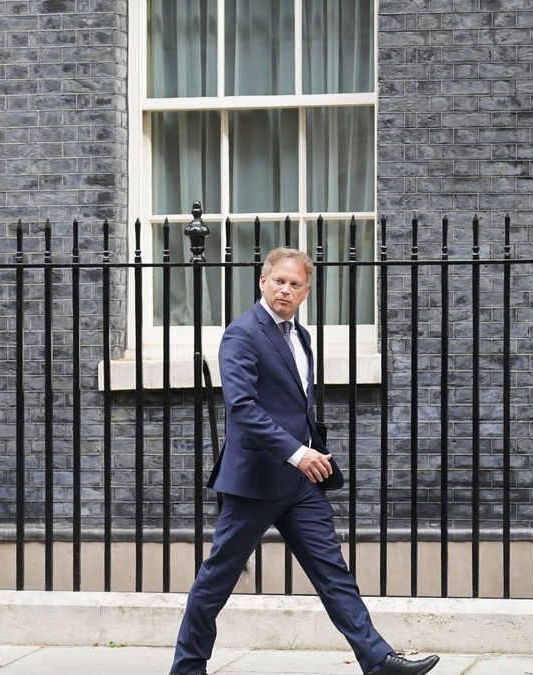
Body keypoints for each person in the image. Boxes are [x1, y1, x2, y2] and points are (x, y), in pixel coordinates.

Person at [170, 247, 439, 675]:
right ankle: (187, 668)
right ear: (262, 281)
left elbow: (296, 405)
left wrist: (309, 448)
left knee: (333, 572)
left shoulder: (302, 336)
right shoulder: (242, 334)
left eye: (295, 284)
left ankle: (378, 661)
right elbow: (242, 407)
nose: (285, 289)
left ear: (306, 291)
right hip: (256, 481)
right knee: (217, 579)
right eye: (279, 280)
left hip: (300, 484)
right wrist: (297, 453)